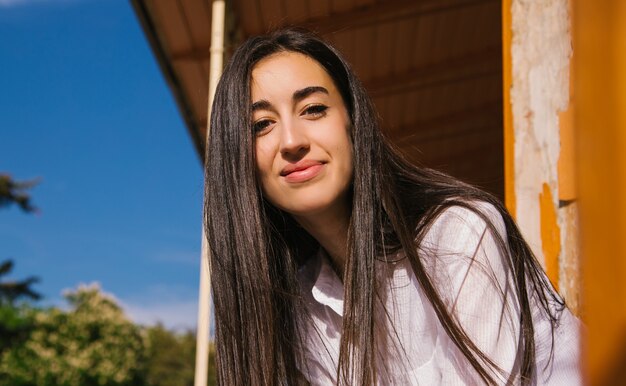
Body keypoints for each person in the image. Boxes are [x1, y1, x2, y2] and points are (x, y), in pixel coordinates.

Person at [203, 28, 580, 385]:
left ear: (353, 122)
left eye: (314, 109)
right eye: (261, 125)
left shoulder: (457, 234)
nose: (291, 140)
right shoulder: (300, 312)